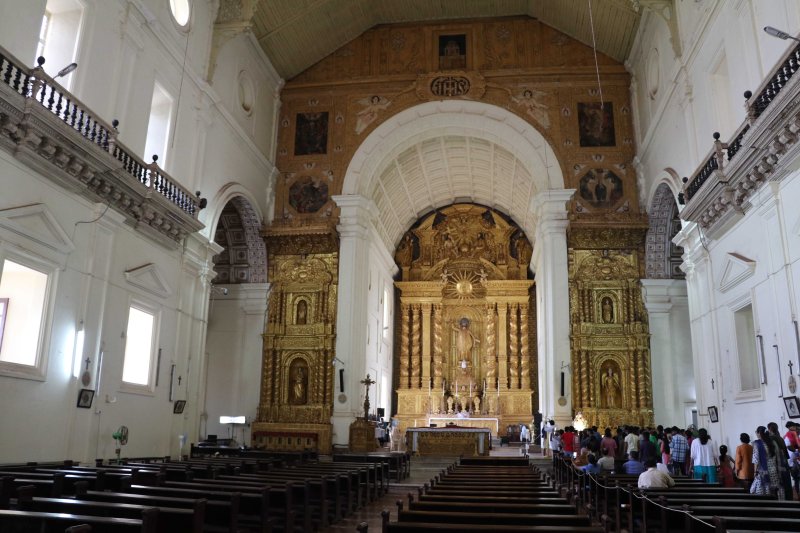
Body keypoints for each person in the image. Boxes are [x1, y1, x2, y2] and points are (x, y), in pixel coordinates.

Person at [767, 422, 793, 500]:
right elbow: (786, 454)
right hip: (784, 463)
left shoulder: (771, 439)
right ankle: (789, 500)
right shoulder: (780, 438)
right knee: (787, 484)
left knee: (779, 487)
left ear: (769, 429)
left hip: (777, 464)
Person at [751, 426, 774, 496]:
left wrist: (755, 472)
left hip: (762, 469)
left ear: (759, 433)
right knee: (770, 491)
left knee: (760, 491)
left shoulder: (756, 443)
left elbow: (755, 459)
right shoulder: (770, 441)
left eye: (756, 432)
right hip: (772, 469)